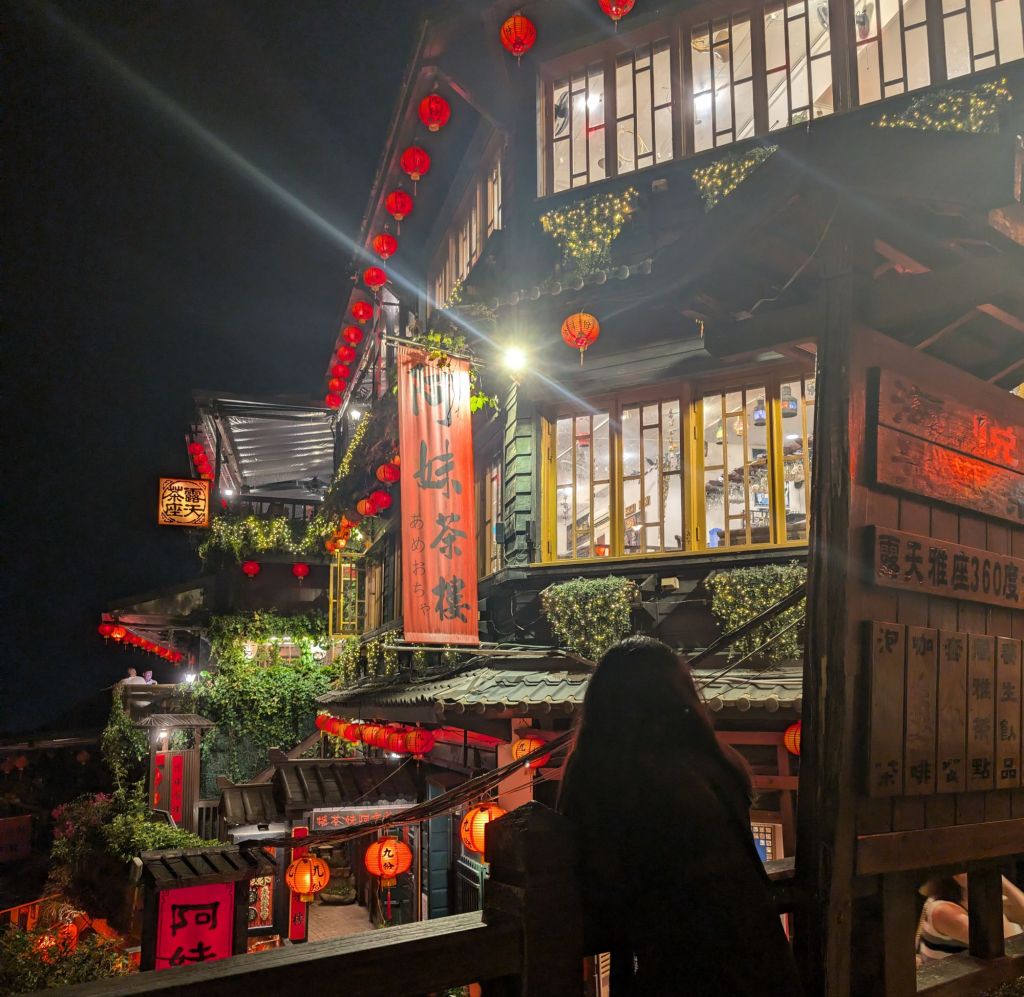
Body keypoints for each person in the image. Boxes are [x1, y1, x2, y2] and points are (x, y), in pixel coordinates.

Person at [559, 636, 802, 996]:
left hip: (683, 970)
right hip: (766, 961)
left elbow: (593, 875)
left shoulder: (603, 768)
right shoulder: (718, 762)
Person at [917, 873, 1024, 965]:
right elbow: (1007, 942)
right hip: (959, 986)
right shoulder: (942, 911)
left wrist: (1000, 880)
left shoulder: (972, 897)